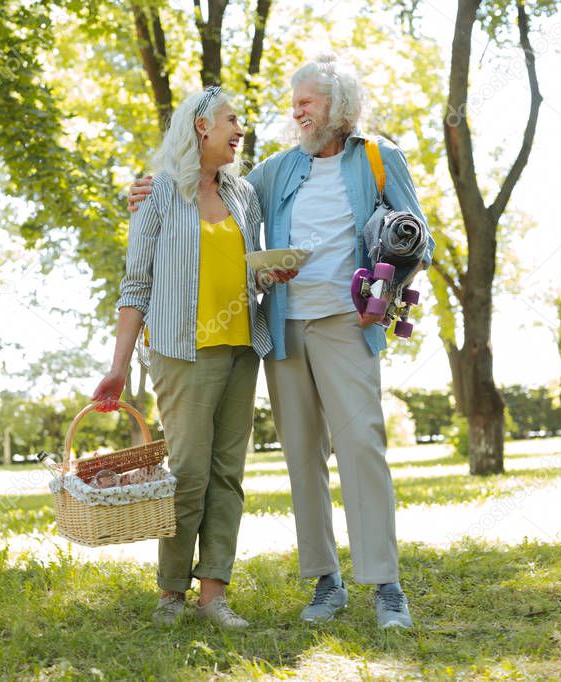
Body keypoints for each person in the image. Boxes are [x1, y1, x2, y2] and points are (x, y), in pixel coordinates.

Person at [129, 55, 434, 628]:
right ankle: (327, 582)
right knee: (302, 457)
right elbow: (213, 187)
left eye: (307, 101)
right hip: (288, 327)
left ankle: (386, 586)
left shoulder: (377, 158)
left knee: (362, 449)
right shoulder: (274, 170)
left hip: (349, 323)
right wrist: (148, 188)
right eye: (294, 101)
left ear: (337, 106)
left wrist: (391, 287)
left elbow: (420, 237)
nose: (297, 111)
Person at [92, 86, 272, 629]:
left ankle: (214, 593)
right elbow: (135, 285)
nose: (239, 129)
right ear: (201, 126)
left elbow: (250, 270)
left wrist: (270, 274)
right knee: (188, 474)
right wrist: (118, 366)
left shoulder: (244, 195)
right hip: (181, 351)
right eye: (231, 120)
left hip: (243, 347)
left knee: (228, 474)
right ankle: (171, 592)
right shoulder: (159, 195)